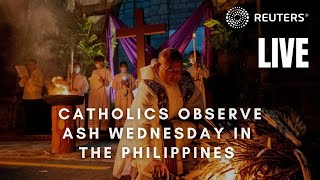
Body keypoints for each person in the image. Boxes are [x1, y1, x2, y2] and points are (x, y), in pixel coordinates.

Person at [113, 48, 204, 180]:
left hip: (174, 131)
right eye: (171, 70)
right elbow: (142, 127)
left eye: (179, 71)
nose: (176, 75)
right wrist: (151, 159)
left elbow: (196, 110)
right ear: (157, 66)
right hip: (146, 135)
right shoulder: (148, 89)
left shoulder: (184, 82)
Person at [19, 59, 46, 134]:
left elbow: (41, 84)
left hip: (36, 98)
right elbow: (21, 85)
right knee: (28, 115)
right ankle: (28, 130)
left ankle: (36, 130)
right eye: (28, 65)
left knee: (35, 115)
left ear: (35, 65)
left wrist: (30, 79)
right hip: (26, 97)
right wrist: (24, 78)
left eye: (31, 64)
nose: (29, 66)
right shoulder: (26, 74)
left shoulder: (39, 73)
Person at [88, 55, 112, 131]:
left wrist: (104, 81)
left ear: (102, 62)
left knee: (102, 109)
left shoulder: (107, 71)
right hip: (94, 94)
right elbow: (92, 82)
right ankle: (94, 127)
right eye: (96, 62)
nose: (96, 64)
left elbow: (110, 83)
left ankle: (103, 128)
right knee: (95, 109)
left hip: (103, 93)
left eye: (98, 62)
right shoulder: (94, 72)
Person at [112, 61, 136, 128]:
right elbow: (114, 86)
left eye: (125, 67)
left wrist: (128, 85)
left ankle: (129, 126)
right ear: (120, 68)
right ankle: (119, 126)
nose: (124, 68)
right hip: (120, 96)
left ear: (127, 68)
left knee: (128, 110)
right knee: (120, 110)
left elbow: (135, 86)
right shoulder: (117, 76)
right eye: (122, 67)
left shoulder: (130, 76)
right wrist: (121, 84)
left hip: (128, 96)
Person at [68, 62, 89, 128]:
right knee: (73, 113)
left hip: (80, 97)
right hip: (72, 97)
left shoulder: (83, 78)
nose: (76, 68)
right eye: (75, 67)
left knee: (81, 113)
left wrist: (78, 90)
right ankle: (74, 127)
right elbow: (66, 86)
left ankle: (81, 127)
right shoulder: (70, 78)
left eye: (78, 67)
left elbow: (86, 88)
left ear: (80, 68)